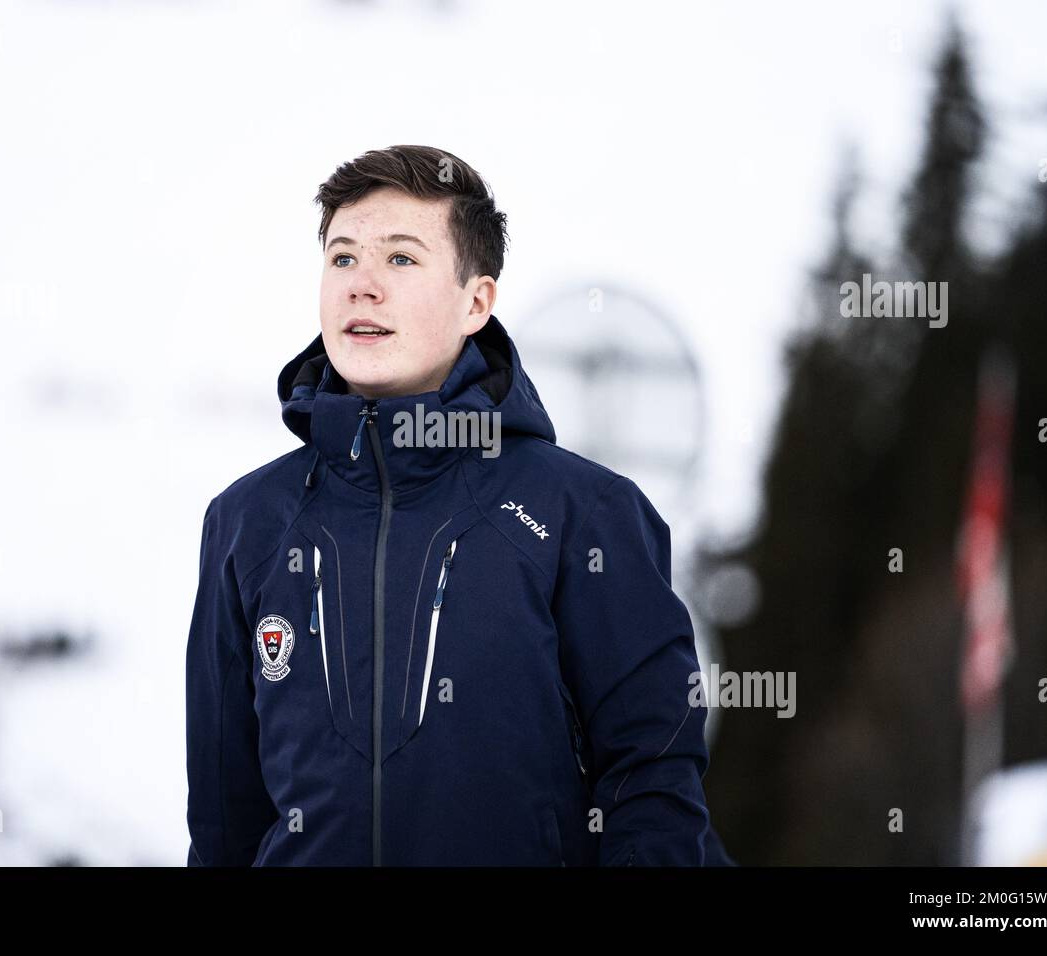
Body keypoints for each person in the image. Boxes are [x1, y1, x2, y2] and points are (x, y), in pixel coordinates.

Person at [185, 144, 732, 866]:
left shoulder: (585, 515)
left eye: (401, 260)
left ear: (476, 301)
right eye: (343, 258)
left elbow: (653, 793)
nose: (362, 285)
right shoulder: (247, 521)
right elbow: (225, 822)